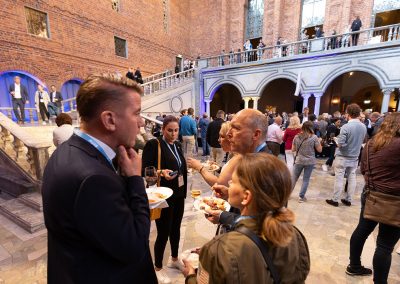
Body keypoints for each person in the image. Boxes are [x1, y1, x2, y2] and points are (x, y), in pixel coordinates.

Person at [41, 74, 157, 283]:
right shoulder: (94, 179)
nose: (141, 122)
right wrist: (135, 180)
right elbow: (134, 247)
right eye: (137, 113)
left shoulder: (65, 150)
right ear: (109, 120)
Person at [182, 153, 310, 283]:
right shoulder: (294, 234)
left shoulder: (221, 249)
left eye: (233, 181)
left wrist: (190, 276)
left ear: (246, 196)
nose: (229, 183)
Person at [347, 113, 400, 282]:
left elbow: (363, 169)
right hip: (394, 199)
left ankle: (354, 266)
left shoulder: (371, 144)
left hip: (370, 193)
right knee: (384, 245)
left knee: (362, 230)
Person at [142, 116, 188, 284]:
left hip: (179, 194)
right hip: (164, 196)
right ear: (162, 130)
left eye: (176, 130)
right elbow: (144, 170)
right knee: (163, 232)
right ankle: (158, 267)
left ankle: (174, 259)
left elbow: (180, 166)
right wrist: (161, 172)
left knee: (176, 228)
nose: (173, 133)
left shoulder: (177, 144)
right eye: (170, 130)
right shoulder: (155, 144)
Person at [326, 104, 367, 207]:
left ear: (348, 114)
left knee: (339, 177)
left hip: (343, 156)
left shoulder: (346, 126)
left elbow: (341, 144)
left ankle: (335, 200)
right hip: (355, 156)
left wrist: (336, 140)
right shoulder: (363, 126)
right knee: (352, 177)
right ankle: (349, 199)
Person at [188, 121, 237, 187]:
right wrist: (219, 168)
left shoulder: (237, 159)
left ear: (231, 138)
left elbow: (220, 185)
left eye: (222, 136)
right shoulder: (232, 155)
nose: (218, 140)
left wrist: (200, 167)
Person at [292, 121, 323, 203]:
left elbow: (293, 149)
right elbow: (320, 150)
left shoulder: (297, 137)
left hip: (299, 160)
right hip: (310, 161)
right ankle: (301, 197)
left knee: (294, 178)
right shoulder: (314, 137)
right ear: (311, 128)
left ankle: (287, 194)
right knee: (306, 179)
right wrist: (319, 142)